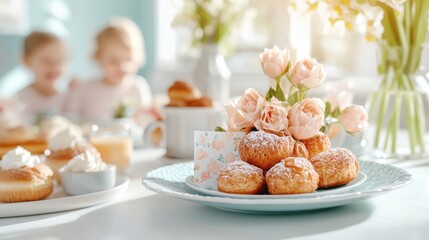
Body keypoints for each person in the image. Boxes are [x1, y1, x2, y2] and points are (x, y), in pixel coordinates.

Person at [65, 17, 152, 122]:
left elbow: (147, 123)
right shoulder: (84, 89)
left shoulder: (138, 87)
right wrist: (71, 92)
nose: (122, 67)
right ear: (99, 58)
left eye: (128, 59)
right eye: (113, 61)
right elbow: (69, 120)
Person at [17, 31, 68, 123]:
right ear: (27, 60)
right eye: (47, 61)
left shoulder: (69, 96)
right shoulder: (20, 100)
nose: (54, 68)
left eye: (60, 61)